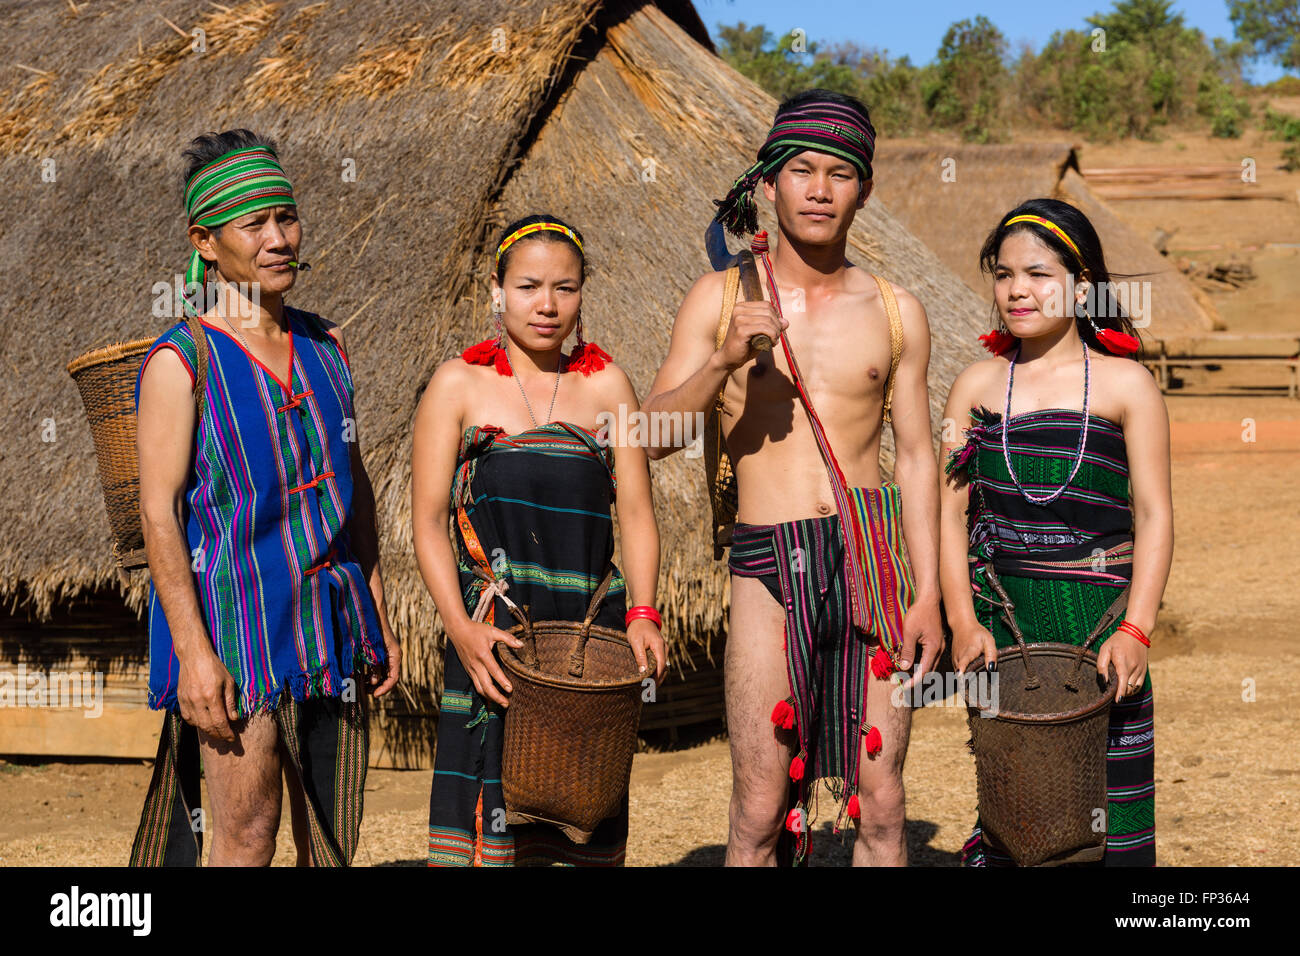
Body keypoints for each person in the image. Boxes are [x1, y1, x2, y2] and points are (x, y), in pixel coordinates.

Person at [642, 89, 944, 866]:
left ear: (864, 191)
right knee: (759, 808)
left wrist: (929, 596)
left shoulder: (896, 310)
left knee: (882, 806)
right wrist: (722, 361)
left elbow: (915, 457)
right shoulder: (718, 300)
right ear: (766, 185)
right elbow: (649, 437)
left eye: (840, 173)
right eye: (801, 170)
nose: (819, 188)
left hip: (872, 561)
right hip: (768, 562)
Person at [131, 129, 400, 867]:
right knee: (247, 835)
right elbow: (159, 514)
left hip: (332, 622)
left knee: (330, 835)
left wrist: (373, 602)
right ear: (206, 241)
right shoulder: (181, 362)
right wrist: (193, 654)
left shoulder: (328, 345)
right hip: (235, 629)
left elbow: (358, 484)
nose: (279, 238)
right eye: (255, 224)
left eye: (287, 217)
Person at [413, 214, 666, 866]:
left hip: (588, 635)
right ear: (497, 292)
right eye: (528, 286)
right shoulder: (458, 385)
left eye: (566, 287)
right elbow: (428, 522)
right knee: (493, 837)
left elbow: (636, 514)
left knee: (583, 811)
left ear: (584, 292)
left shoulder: (608, 386)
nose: (548, 305)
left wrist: (643, 613)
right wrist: (461, 630)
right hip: (495, 633)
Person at [940, 198, 1171, 866]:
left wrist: (1136, 628)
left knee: (1109, 810)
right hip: (1005, 625)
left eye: (1038, 273)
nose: (1017, 289)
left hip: (1100, 624)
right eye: (1004, 273)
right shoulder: (976, 386)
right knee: (1020, 805)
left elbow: (1154, 513)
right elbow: (947, 514)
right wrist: (962, 618)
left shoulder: (1127, 385)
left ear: (1083, 285)